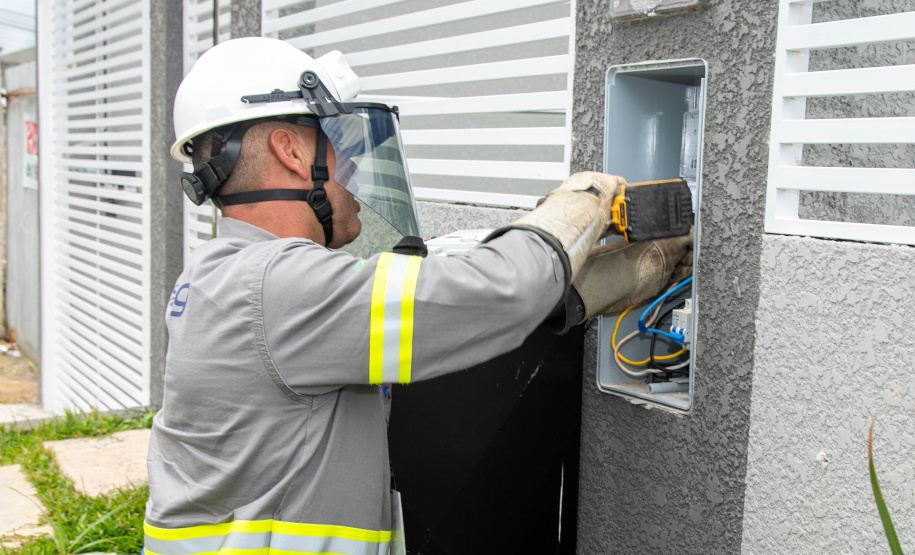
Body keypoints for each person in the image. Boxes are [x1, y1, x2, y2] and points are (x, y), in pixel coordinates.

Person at [143, 37, 690, 555]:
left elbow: (452, 309)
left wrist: (574, 291)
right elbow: (500, 292)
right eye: (336, 146)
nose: (352, 167)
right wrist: (582, 203)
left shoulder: (225, 275)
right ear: (289, 151)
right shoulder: (277, 288)